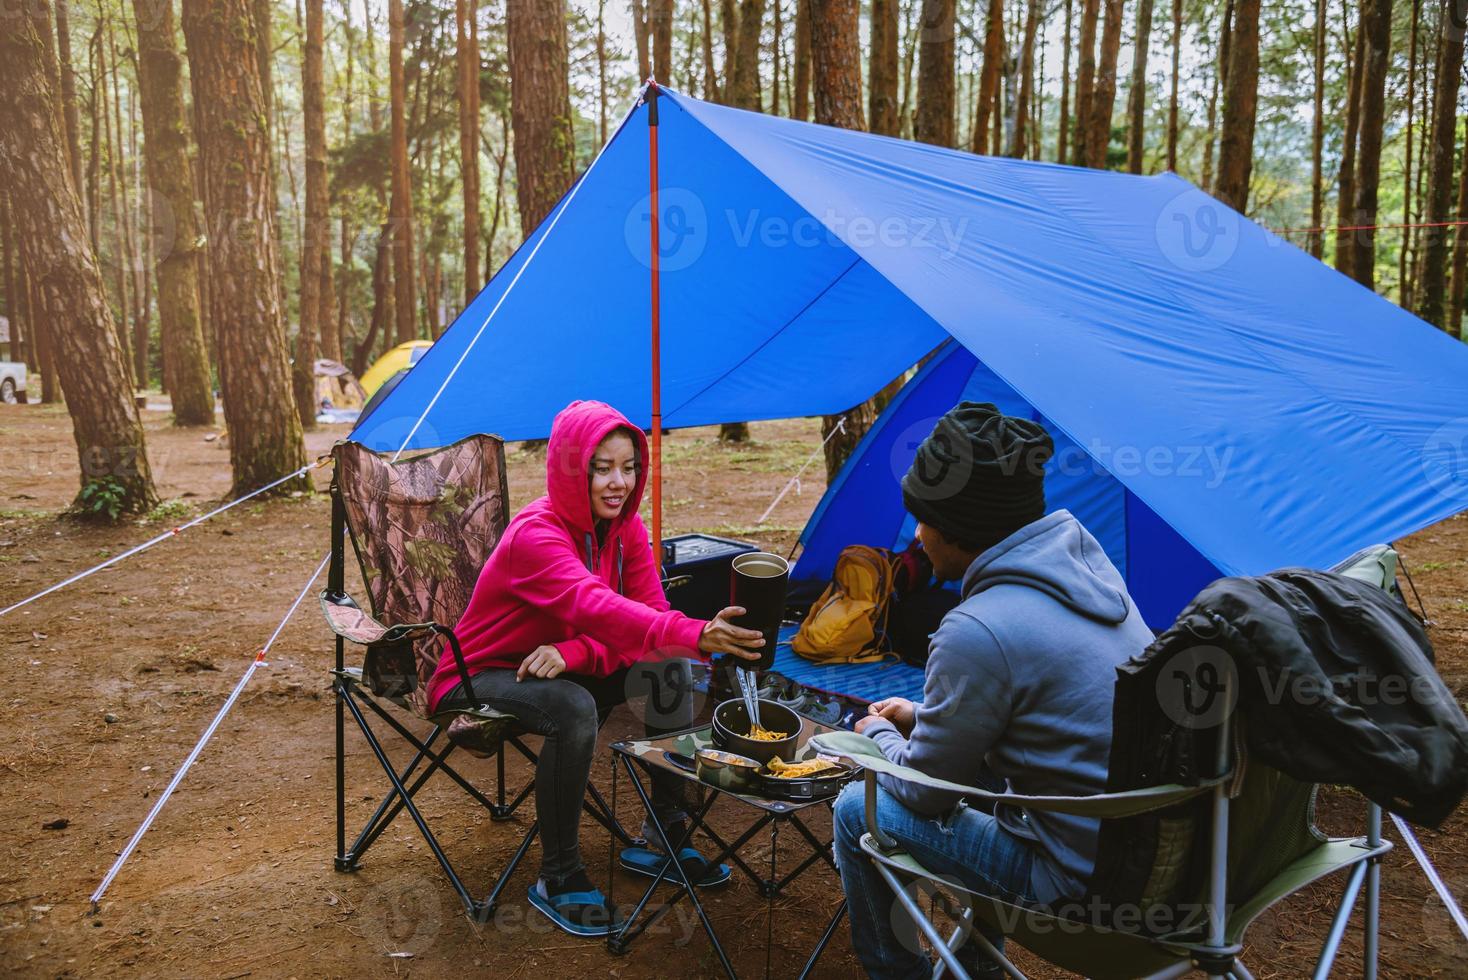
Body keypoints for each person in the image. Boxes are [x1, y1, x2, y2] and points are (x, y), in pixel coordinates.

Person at [832, 402, 1155, 979]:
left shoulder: (976, 629)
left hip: (1080, 895)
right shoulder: (1093, 577)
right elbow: (1051, 712)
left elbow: (926, 795)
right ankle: (979, 970)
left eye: (923, 520)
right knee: (977, 773)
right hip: (1159, 861)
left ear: (957, 532)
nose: (917, 535)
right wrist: (928, 714)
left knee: (859, 809)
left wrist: (878, 732)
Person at [424, 399, 764, 937]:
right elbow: (595, 607)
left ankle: (665, 834)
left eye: (628, 468)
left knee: (667, 664)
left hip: (554, 664)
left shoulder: (625, 530)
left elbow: (647, 620)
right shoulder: (536, 536)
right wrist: (696, 631)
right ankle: (558, 877)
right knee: (573, 705)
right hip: (478, 675)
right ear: (570, 468)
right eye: (601, 468)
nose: (618, 483)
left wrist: (577, 653)